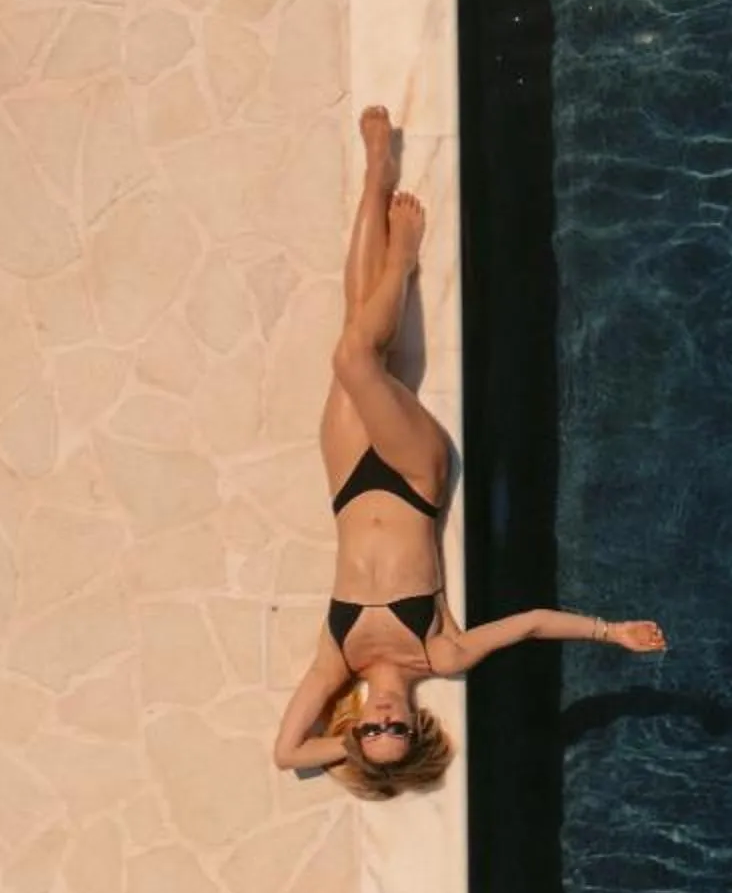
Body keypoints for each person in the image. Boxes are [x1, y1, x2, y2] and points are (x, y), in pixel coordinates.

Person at [273, 106, 665, 796]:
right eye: (399, 733)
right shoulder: (441, 653)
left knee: (356, 328)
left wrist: (350, 755)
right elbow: (534, 625)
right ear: (419, 728)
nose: (385, 725)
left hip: (347, 479)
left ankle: (376, 178)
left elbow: (285, 753)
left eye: (372, 734)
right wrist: (610, 632)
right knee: (356, 359)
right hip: (412, 477)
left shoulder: (336, 663)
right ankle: (402, 255)